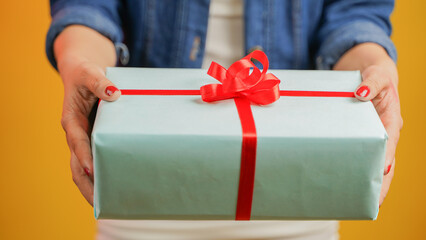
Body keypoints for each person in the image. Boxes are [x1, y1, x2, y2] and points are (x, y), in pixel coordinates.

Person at [46, 0, 402, 239]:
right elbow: (86, 7)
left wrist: (375, 69)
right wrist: (83, 66)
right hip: (141, 201)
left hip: (299, 201)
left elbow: (355, 16)